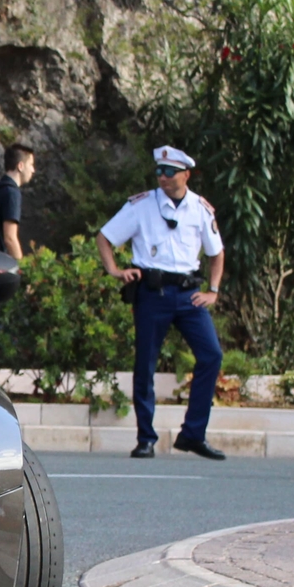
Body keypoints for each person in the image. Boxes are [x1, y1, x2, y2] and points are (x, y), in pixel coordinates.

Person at [95, 146, 228, 460]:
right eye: (159, 171)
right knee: (146, 365)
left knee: (211, 355)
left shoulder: (199, 208)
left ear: (186, 174)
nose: (163, 177)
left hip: (187, 293)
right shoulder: (141, 205)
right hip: (152, 294)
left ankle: (193, 434)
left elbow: (216, 252)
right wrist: (114, 270)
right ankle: (146, 439)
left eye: (170, 172)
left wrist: (213, 290)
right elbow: (105, 237)